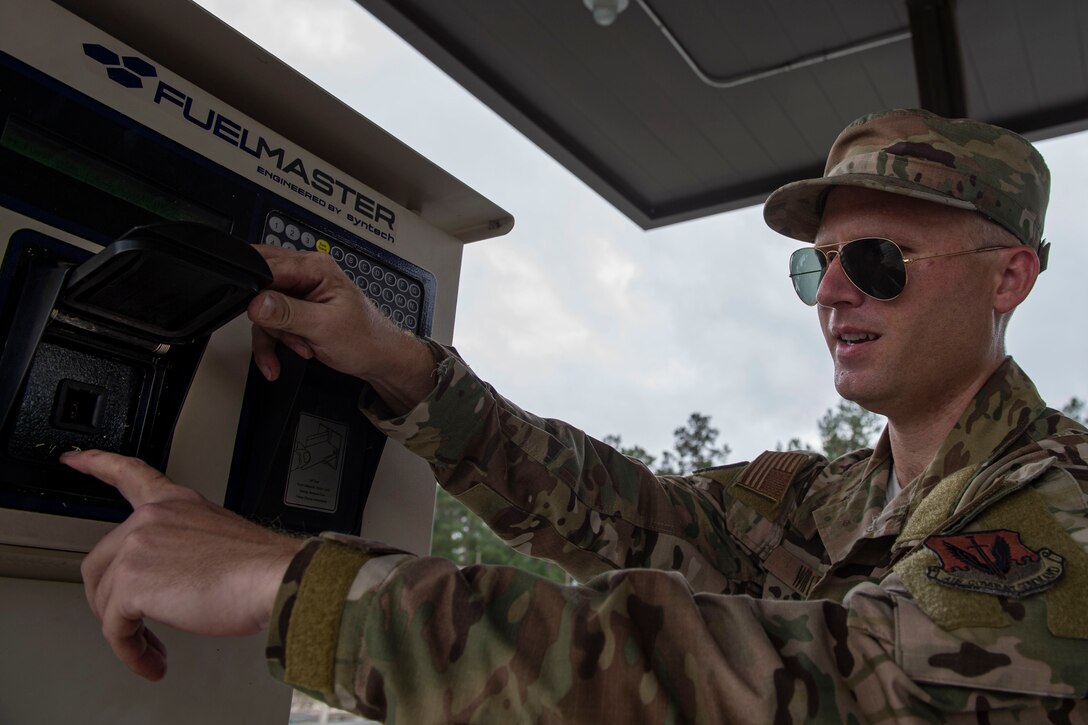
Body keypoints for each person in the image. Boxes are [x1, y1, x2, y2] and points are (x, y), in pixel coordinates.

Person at [65, 108, 1088, 722]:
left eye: (875, 261)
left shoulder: (1055, 506)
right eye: (814, 265)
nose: (830, 295)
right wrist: (403, 367)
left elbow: (801, 688)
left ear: (1007, 278)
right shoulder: (824, 497)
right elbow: (609, 511)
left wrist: (291, 581)